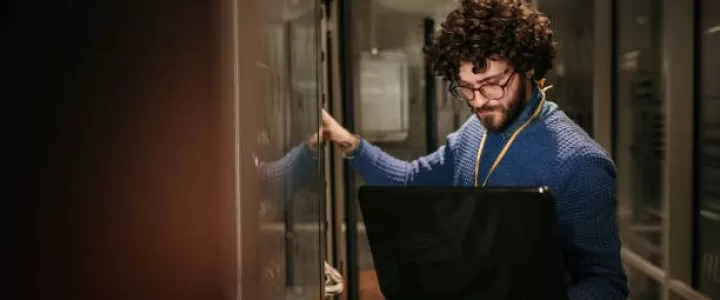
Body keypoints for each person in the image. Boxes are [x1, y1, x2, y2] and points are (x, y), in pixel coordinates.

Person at [319, 0, 629, 298]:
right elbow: (411, 180)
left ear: (528, 68)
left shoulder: (580, 161)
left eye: (492, 84)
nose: (479, 101)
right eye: (466, 88)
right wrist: (347, 141)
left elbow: (605, 282)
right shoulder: (474, 131)